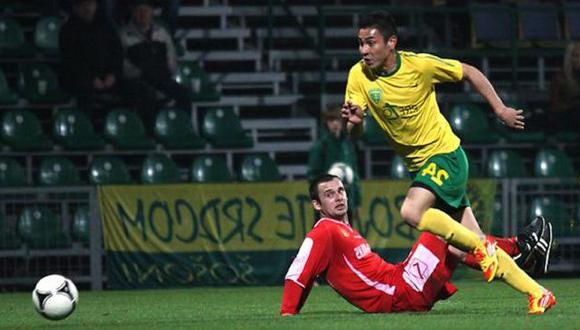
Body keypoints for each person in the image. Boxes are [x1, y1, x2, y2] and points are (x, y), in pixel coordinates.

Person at [340, 10, 554, 298]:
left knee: (411, 212)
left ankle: (511, 248)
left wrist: (500, 109)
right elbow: (355, 133)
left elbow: (470, 71)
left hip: (444, 155)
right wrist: (355, 123)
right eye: (360, 44)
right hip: (420, 168)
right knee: (461, 246)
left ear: (391, 42)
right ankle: (531, 267)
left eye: (371, 42)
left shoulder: (420, 65)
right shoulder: (358, 76)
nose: (364, 50)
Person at [280, 175, 556, 315]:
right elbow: (298, 274)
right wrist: (288, 314)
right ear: (317, 205)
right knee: (439, 227)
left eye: (340, 191)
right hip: (398, 293)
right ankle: (519, 248)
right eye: (328, 195)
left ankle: (532, 281)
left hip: (399, 285)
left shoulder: (343, 229)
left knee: (456, 246)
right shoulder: (324, 231)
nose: (338, 197)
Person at [119, 0, 193, 129]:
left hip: (161, 77)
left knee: (184, 94)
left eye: (146, 10)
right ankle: (150, 133)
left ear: (151, 12)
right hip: (138, 79)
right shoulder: (124, 35)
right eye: (139, 10)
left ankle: (183, 129)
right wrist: (140, 73)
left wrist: (168, 73)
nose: (143, 14)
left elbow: (171, 57)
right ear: (132, 12)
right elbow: (122, 63)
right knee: (147, 94)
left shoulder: (162, 33)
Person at [59, 0, 125, 120]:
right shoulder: (68, 29)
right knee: (84, 91)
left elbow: (117, 53)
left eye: (90, 4)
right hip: (80, 78)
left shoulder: (107, 26)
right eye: (83, 5)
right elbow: (71, 60)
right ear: (75, 8)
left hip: (108, 77)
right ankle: (87, 128)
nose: (87, 8)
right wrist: (90, 78)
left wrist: (113, 74)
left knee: (134, 87)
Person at [308, 105, 362, 224]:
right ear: (326, 123)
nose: (335, 124)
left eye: (337, 120)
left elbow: (355, 174)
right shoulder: (321, 146)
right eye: (331, 120)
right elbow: (312, 176)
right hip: (327, 204)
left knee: (347, 237)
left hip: (347, 202)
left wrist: (357, 202)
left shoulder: (348, 145)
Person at [549, 41, 580, 137]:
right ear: (569, 58)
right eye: (575, 56)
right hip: (565, 117)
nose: (578, 59)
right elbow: (555, 105)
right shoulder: (560, 77)